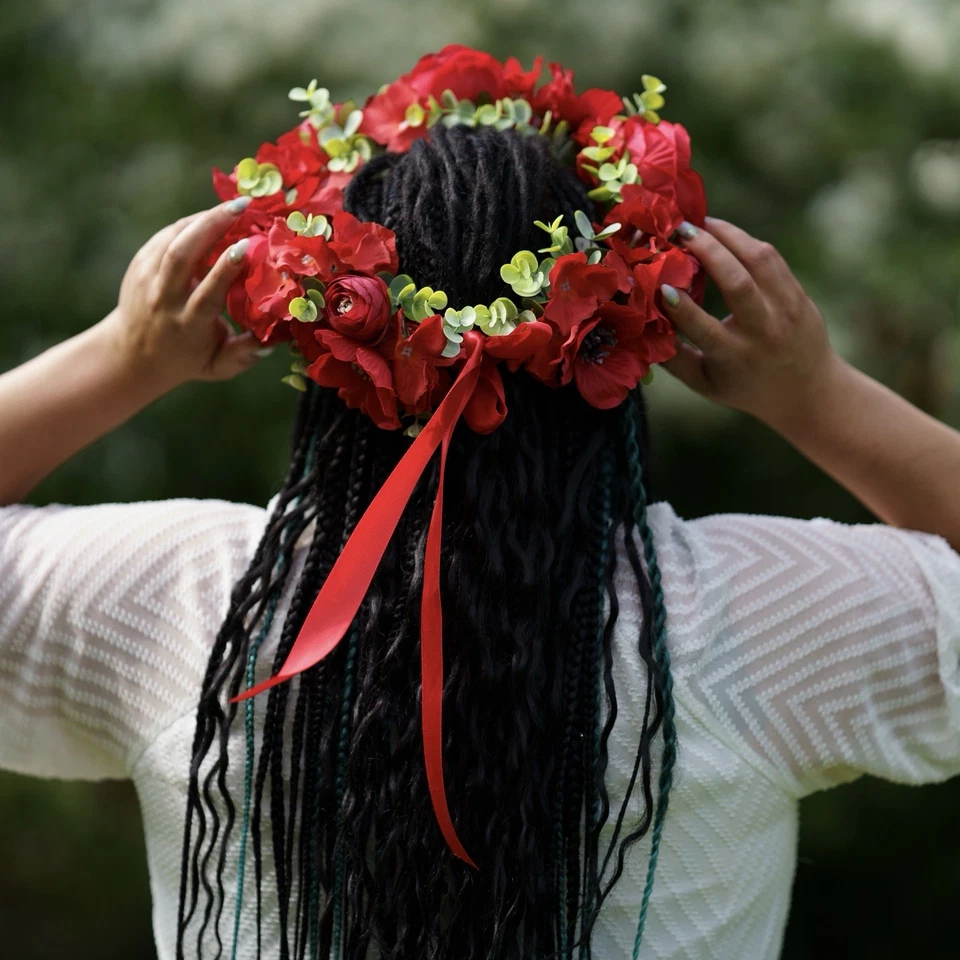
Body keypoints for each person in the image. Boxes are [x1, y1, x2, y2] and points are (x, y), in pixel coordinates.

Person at [3, 109, 960, 960]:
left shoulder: (182, 601)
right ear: (619, 337)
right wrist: (817, 398)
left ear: (327, 340)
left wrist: (124, 358)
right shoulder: (758, 616)